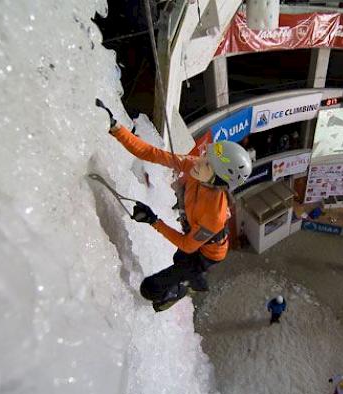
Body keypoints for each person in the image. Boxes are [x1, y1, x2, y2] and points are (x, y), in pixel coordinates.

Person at [99, 100, 252, 312]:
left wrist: (154, 221)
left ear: (218, 180)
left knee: (150, 289)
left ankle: (181, 289)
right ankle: (195, 281)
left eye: (207, 163)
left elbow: (189, 245)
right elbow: (151, 153)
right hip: (198, 239)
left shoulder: (213, 214)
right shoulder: (195, 166)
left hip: (209, 254)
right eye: (205, 156)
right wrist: (116, 129)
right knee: (179, 259)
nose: (198, 161)